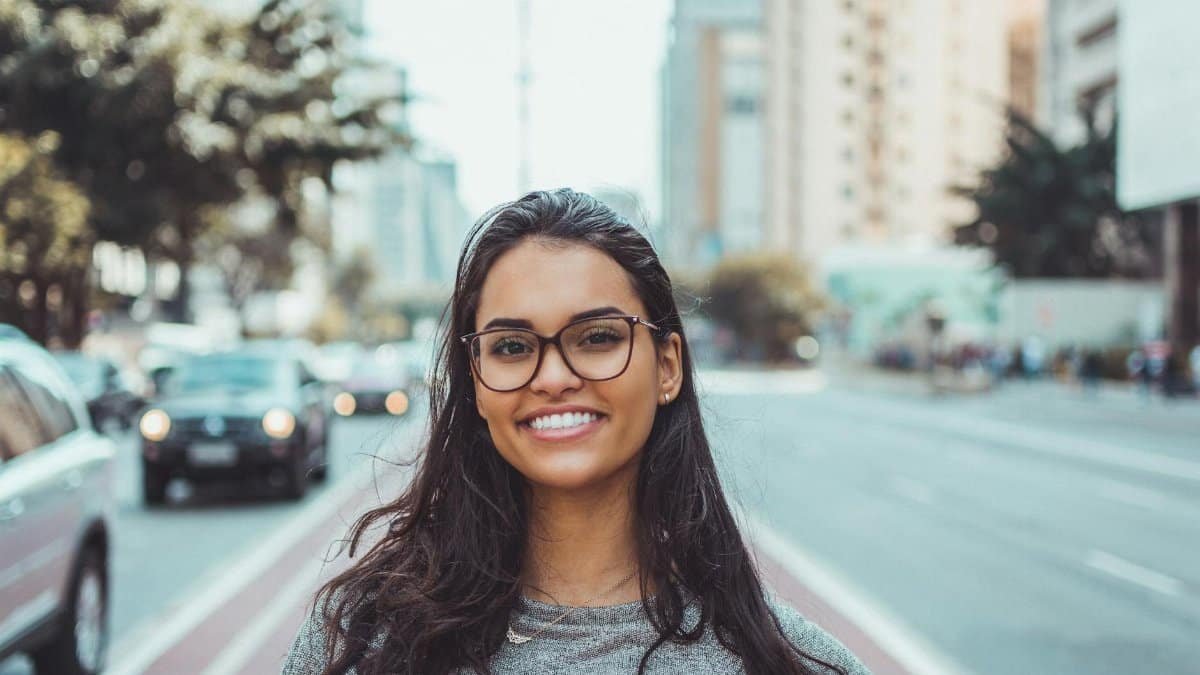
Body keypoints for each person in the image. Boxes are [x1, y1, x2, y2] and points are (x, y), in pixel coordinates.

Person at [283, 189, 868, 674]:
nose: (555, 377)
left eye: (597, 338)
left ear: (667, 366)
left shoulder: (790, 663)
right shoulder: (358, 641)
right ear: (476, 381)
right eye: (512, 347)